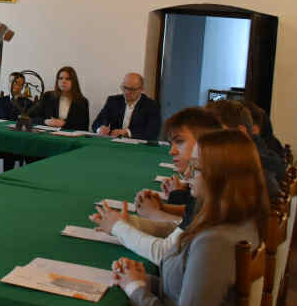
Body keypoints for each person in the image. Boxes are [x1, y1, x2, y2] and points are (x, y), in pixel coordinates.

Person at [110, 129, 268, 306]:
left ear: (219, 177)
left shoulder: (214, 241)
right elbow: (195, 290)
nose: (186, 175)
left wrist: (136, 289)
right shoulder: (239, 221)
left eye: (195, 168)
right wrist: (141, 279)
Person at [91, 108, 222, 266]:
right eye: (171, 144)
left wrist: (119, 228)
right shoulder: (208, 189)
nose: (172, 151)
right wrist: (130, 223)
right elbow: (180, 228)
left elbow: (166, 254)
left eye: (180, 142)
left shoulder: (212, 193)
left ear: (204, 144)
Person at [205, 99, 283, 202]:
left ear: (240, 133)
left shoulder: (255, 179)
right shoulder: (259, 159)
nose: (207, 143)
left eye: (216, 134)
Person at [91, 73, 162, 141]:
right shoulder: (113, 101)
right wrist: (100, 129)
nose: (127, 92)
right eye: (125, 88)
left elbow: (152, 132)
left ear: (142, 89)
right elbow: (96, 123)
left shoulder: (152, 106)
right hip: (112, 143)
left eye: (132, 89)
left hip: (137, 146)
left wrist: (127, 132)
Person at [34, 66, 89, 131]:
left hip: (69, 136)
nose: (63, 81)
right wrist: (46, 121)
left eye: (67, 79)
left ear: (74, 82)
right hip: (48, 134)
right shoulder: (47, 96)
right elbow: (33, 118)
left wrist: (64, 124)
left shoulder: (82, 101)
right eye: (60, 78)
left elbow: (84, 127)